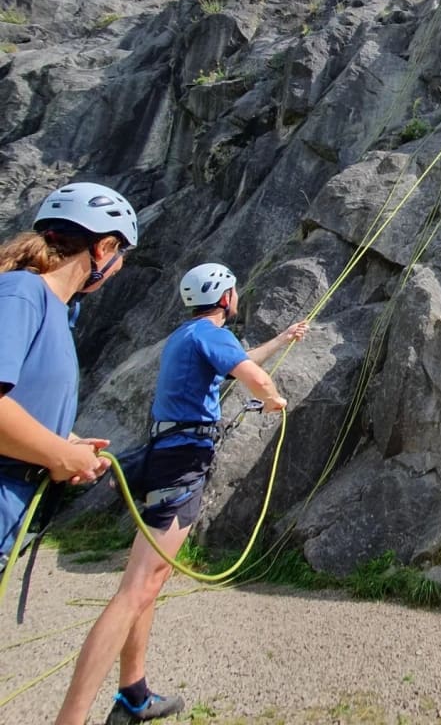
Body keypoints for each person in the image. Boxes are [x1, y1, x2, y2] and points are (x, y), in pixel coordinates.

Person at [56, 262, 308, 725]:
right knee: (137, 589)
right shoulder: (209, 335)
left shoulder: (189, 336)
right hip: (183, 462)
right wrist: (273, 398)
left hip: (163, 455)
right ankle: (71, 718)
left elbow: (240, 359)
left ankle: (133, 694)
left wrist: (283, 339)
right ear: (227, 297)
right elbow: (253, 376)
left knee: (146, 585)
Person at [0, 181, 138, 565]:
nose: (119, 266)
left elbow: (22, 398)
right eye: (121, 252)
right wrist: (57, 453)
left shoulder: (54, 310)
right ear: (105, 247)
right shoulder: (21, 293)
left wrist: (68, 443)